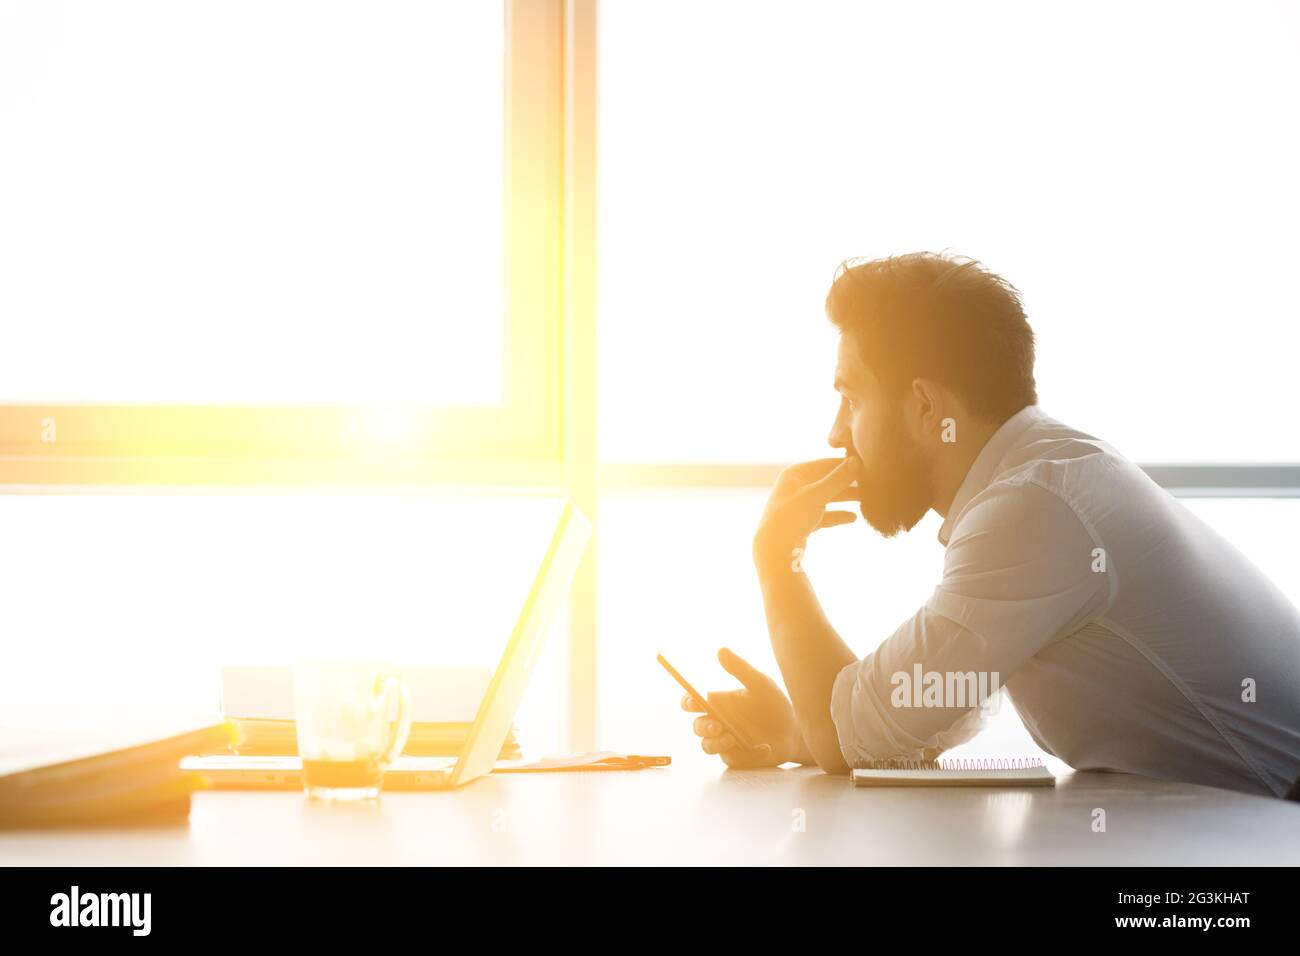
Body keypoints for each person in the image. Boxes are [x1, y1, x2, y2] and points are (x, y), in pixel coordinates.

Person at [683, 252, 1300, 798]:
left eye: (852, 397)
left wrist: (777, 557)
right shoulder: (1039, 480)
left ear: (926, 407)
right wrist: (800, 728)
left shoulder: (1034, 508)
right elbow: (926, 708)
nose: (836, 433)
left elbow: (852, 737)